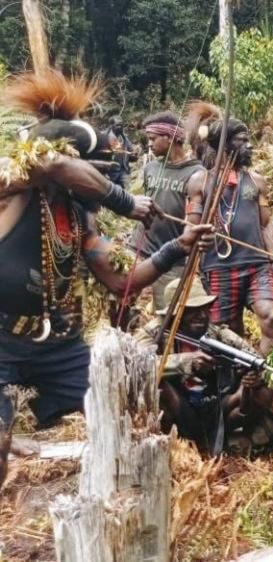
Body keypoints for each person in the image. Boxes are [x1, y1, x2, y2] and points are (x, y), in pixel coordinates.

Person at [0, 69, 202, 458]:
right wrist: (125, 202)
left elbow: (122, 283)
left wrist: (179, 245)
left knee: (127, 407)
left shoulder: (78, 218)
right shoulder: (13, 186)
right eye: (98, 171)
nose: (104, 179)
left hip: (57, 345)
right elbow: (54, 165)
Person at [136, 279, 273, 455]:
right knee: (157, 386)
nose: (202, 315)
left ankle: (226, 438)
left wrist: (252, 378)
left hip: (217, 407)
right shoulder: (154, 332)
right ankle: (173, 444)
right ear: (175, 313)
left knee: (264, 390)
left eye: (205, 308)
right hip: (179, 408)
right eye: (193, 310)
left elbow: (256, 360)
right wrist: (183, 362)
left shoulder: (217, 334)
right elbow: (135, 364)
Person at [185, 102, 273, 353]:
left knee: (271, 317)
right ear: (223, 145)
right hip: (218, 267)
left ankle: (270, 383)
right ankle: (241, 386)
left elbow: (266, 223)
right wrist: (197, 247)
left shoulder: (255, 180)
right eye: (242, 140)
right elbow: (191, 228)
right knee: (227, 330)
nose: (249, 146)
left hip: (257, 265)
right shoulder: (200, 181)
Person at [134, 111, 206, 310]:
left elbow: (194, 220)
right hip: (140, 248)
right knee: (121, 301)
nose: (149, 144)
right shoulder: (150, 168)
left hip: (172, 258)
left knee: (166, 311)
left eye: (152, 139)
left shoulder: (196, 173)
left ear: (169, 137)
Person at [104, 115, 135, 189]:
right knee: (110, 193)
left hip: (123, 170)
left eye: (121, 125)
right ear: (111, 126)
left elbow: (131, 150)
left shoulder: (124, 137)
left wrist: (134, 154)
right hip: (110, 172)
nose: (120, 127)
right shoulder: (104, 137)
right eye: (117, 125)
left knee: (127, 193)